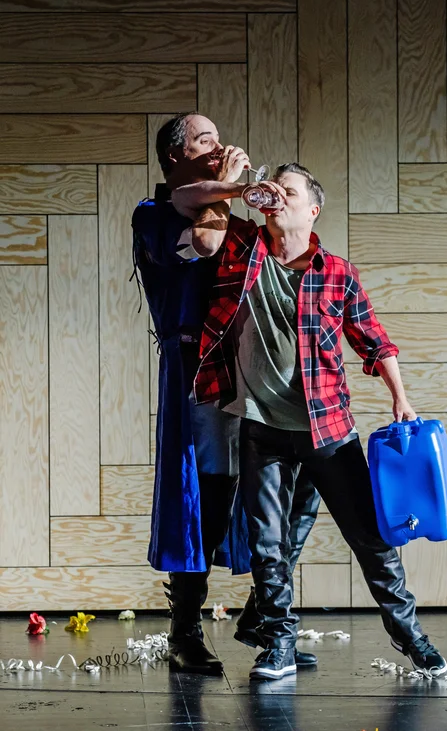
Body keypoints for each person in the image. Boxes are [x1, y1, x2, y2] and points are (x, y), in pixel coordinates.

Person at [173, 162, 447, 681]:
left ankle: (411, 635)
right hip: (261, 428)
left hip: (328, 430)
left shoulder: (337, 271)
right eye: (274, 189)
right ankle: (277, 644)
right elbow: (186, 206)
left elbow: (374, 340)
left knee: (371, 540)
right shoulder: (242, 248)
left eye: (290, 191)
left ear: (313, 209)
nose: (279, 196)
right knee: (268, 545)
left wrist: (401, 398)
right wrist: (242, 188)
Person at [131, 114, 320, 676]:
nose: (219, 146)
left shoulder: (228, 212)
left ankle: (265, 616)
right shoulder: (154, 213)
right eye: (204, 140)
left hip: (252, 362)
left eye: (217, 138)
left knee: (293, 479)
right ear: (175, 156)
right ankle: (185, 631)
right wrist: (235, 186)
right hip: (199, 367)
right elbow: (207, 242)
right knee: (206, 488)